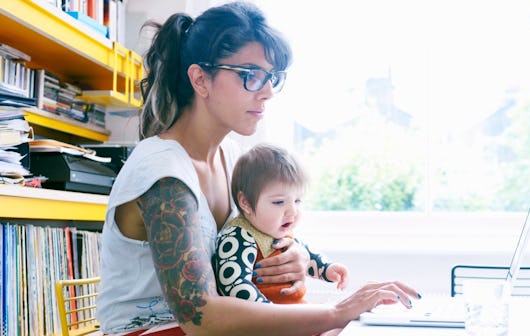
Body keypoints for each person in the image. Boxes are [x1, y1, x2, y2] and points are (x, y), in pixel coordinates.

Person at [96, 2, 419, 335]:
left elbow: (252, 239)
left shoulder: (232, 157)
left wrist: (289, 253)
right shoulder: (163, 173)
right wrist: (337, 311)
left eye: (272, 78)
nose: (266, 93)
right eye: (250, 76)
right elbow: (200, 318)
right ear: (200, 79)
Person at [213, 143, 349, 304]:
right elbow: (233, 285)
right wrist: (268, 310)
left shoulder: (280, 232)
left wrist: (328, 269)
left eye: (298, 200)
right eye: (279, 202)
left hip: (292, 313)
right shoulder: (239, 235)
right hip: (265, 322)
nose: (292, 211)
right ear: (246, 203)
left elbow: (309, 257)